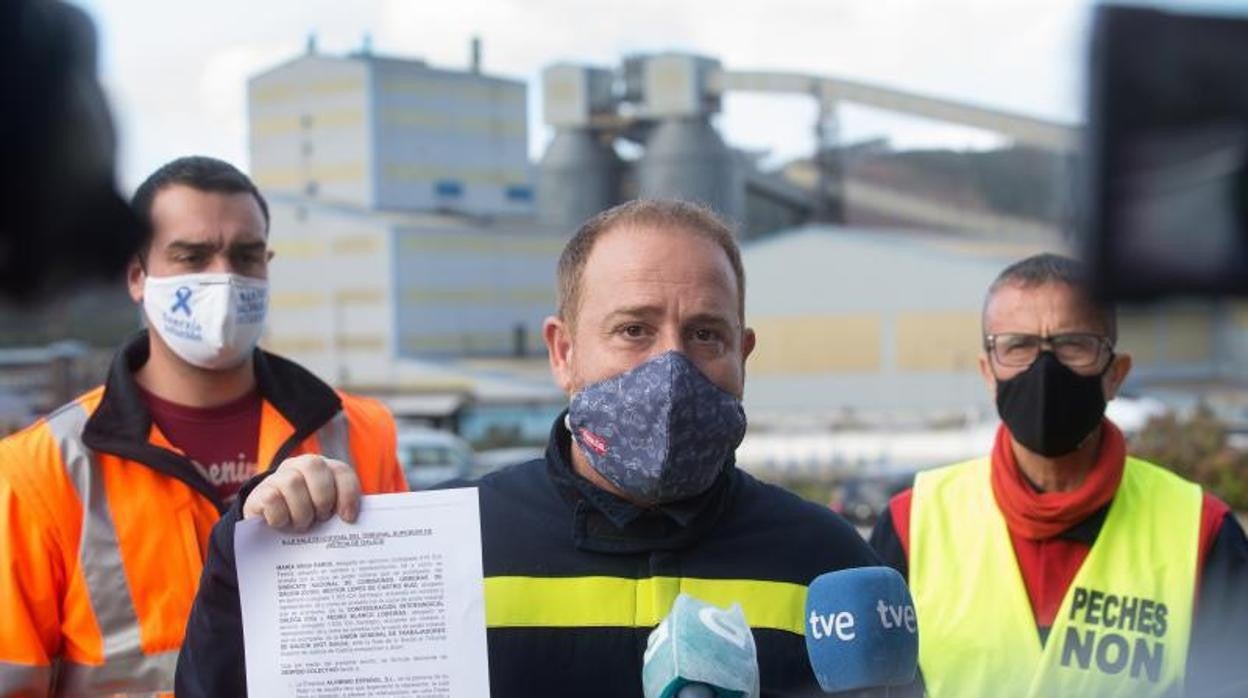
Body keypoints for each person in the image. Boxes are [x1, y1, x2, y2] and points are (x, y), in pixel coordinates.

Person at [176, 200, 896, 696]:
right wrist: (253, 562)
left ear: (743, 353)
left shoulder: (828, 563)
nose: (670, 367)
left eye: (705, 334)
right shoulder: (442, 549)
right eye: (633, 329)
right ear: (563, 352)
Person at [0, 156, 407, 696]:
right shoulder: (39, 470)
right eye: (192, 257)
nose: (225, 278)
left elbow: (405, 638)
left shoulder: (360, 432)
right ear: (137, 276)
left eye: (245, 256)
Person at [870, 253, 1248, 697]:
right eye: (1017, 345)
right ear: (987, 371)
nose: (1044, 368)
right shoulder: (910, 525)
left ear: (1116, 373)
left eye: (1073, 344)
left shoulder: (1202, 532)